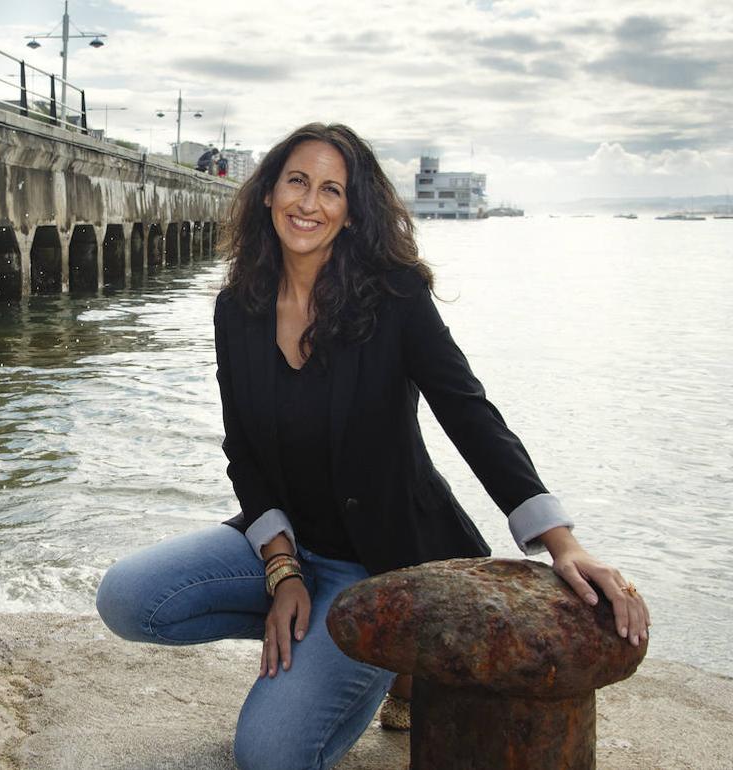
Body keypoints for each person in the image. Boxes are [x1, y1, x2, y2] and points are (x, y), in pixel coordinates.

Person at [95, 123, 650, 770]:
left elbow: (469, 414)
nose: (310, 203)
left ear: (352, 211)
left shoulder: (396, 297)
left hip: (377, 565)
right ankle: (322, 637)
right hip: (287, 547)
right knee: (128, 598)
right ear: (269, 192)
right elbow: (242, 449)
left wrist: (561, 540)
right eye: (297, 181)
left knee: (268, 757)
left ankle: (390, 660)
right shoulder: (236, 308)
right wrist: (283, 572)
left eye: (332, 190)